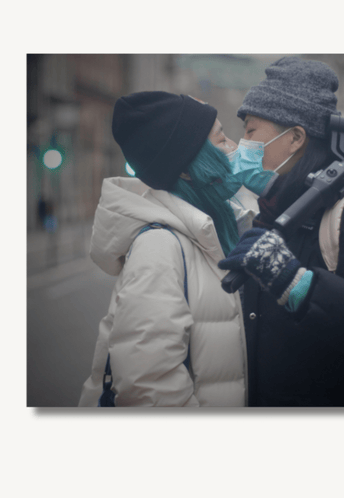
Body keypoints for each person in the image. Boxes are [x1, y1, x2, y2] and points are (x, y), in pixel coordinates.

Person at [218, 57, 344, 407]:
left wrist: (297, 283)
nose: (243, 145)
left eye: (251, 131)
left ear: (296, 138)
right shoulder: (281, 210)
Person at [78, 91, 277, 407]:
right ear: (186, 169)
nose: (235, 148)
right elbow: (150, 392)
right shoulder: (158, 249)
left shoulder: (215, 228)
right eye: (222, 140)